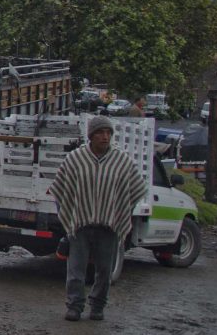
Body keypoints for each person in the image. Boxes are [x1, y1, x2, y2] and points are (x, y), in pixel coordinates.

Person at [49, 116, 146, 322]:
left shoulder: (122, 161)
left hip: (108, 225)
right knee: (76, 269)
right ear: (91, 135)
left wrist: (121, 212)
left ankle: (98, 306)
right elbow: (59, 188)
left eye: (108, 133)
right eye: (101, 133)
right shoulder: (76, 159)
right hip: (80, 223)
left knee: (104, 270)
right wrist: (67, 214)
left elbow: (136, 189)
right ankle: (74, 306)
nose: (105, 137)